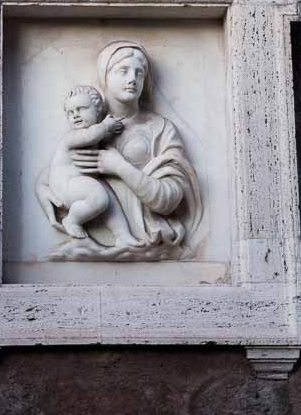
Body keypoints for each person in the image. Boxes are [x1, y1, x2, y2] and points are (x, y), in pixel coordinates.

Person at [59, 42, 202, 260]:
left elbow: (169, 198)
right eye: (122, 71)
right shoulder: (84, 129)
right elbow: (59, 172)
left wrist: (118, 166)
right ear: (104, 76)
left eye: (139, 72)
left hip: (152, 241)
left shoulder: (161, 129)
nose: (132, 79)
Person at [45, 85, 141, 248]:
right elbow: (89, 136)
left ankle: (122, 235)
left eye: (80, 109)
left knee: (110, 199)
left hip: (82, 182)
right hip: (66, 184)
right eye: (70, 112)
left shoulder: (92, 133)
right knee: (99, 196)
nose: (75, 115)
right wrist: (106, 126)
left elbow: (95, 138)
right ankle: (72, 220)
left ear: (97, 111)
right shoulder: (73, 136)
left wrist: (109, 131)